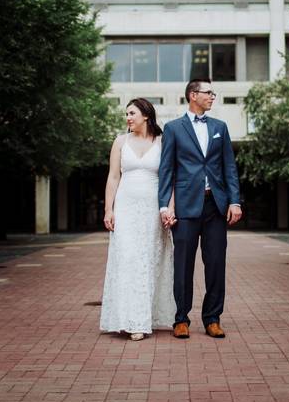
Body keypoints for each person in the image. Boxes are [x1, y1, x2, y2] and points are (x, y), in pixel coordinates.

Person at [158, 78, 242, 339]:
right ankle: (181, 319)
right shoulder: (173, 128)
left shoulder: (220, 127)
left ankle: (213, 318)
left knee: (216, 263)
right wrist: (164, 205)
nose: (212, 97)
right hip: (185, 206)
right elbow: (166, 170)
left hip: (215, 205)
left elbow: (229, 167)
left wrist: (235, 201)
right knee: (183, 265)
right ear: (193, 95)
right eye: (208, 93)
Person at [100, 98, 177, 341]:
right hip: (125, 208)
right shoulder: (120, 142)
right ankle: (128, 319)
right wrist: (108, 210)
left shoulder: (163, 141)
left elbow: (171, 179)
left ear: (146, 115)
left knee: (149, 262)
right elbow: (113, 177)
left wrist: (170, 208)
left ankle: (144, 318)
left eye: (131, 113)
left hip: (153, 209)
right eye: (126, 114)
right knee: (127, 260)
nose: (128, 118)